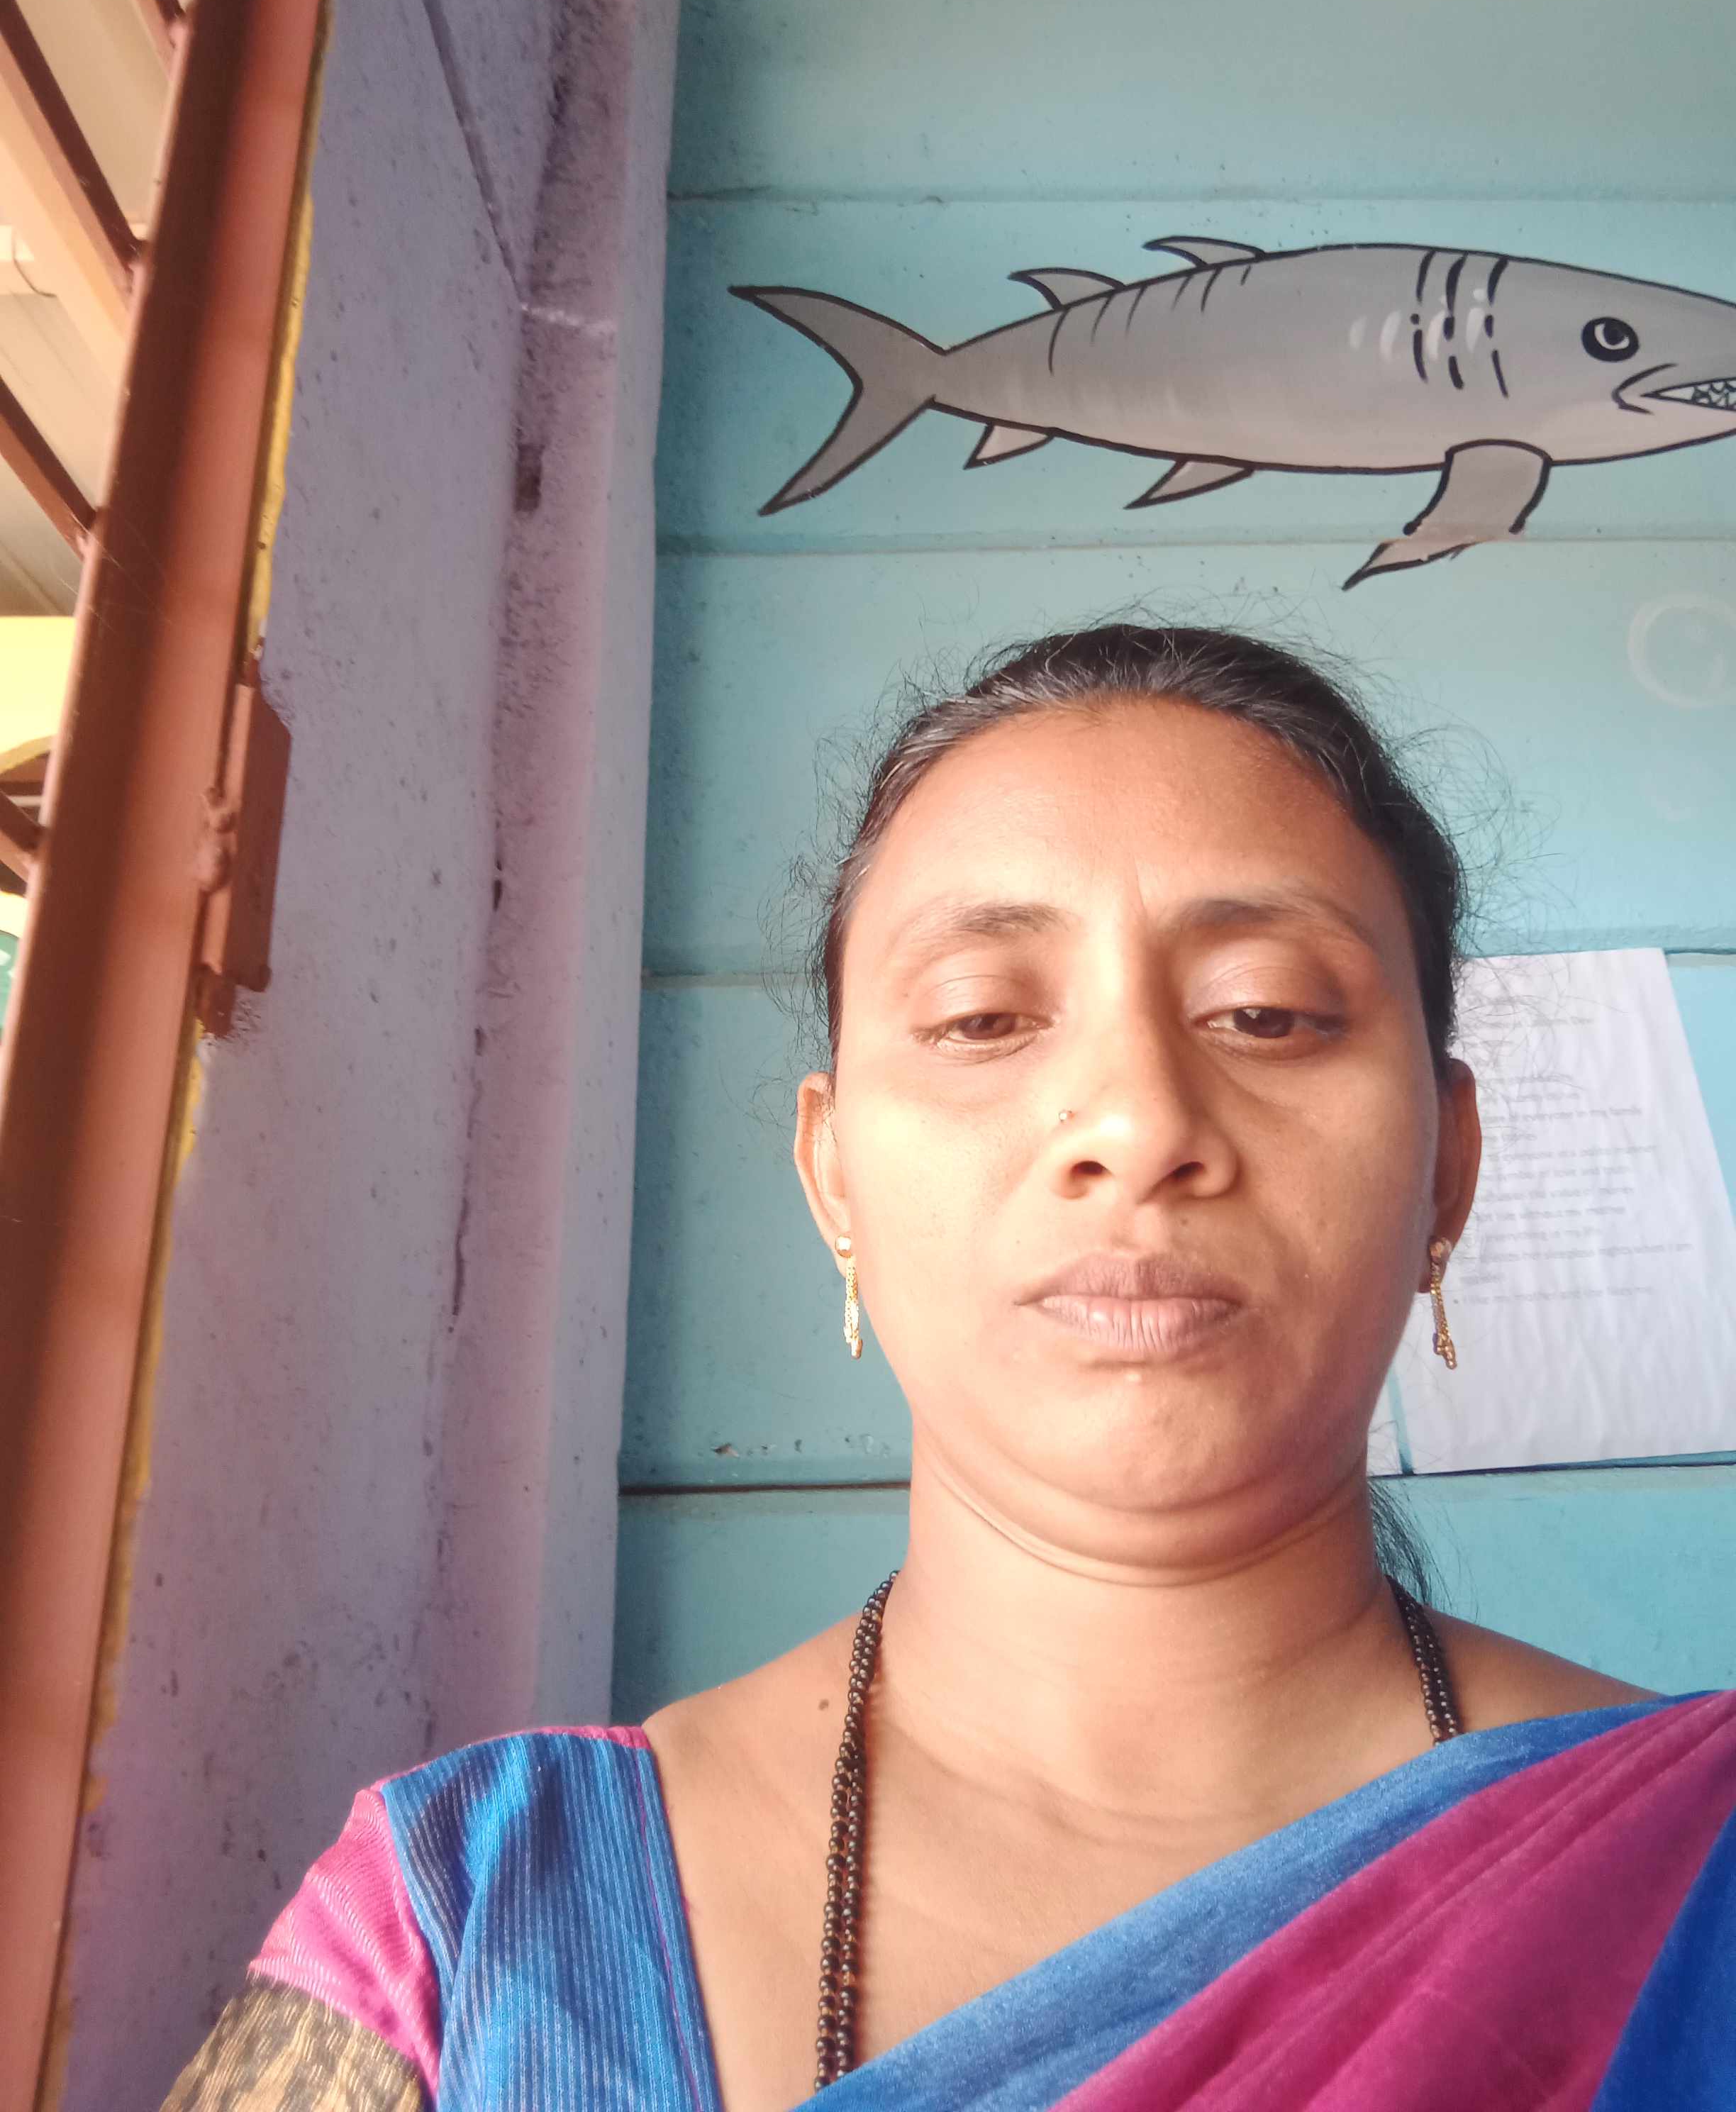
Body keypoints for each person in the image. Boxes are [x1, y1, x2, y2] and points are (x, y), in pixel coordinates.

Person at [164, 623, 1736, 2112]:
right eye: (983, 1019)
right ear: (834, 1176)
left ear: (1448, 1168)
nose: (1139, 1123)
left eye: (1266, 1011)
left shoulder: (1702, 1857)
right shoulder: (465, 1920)